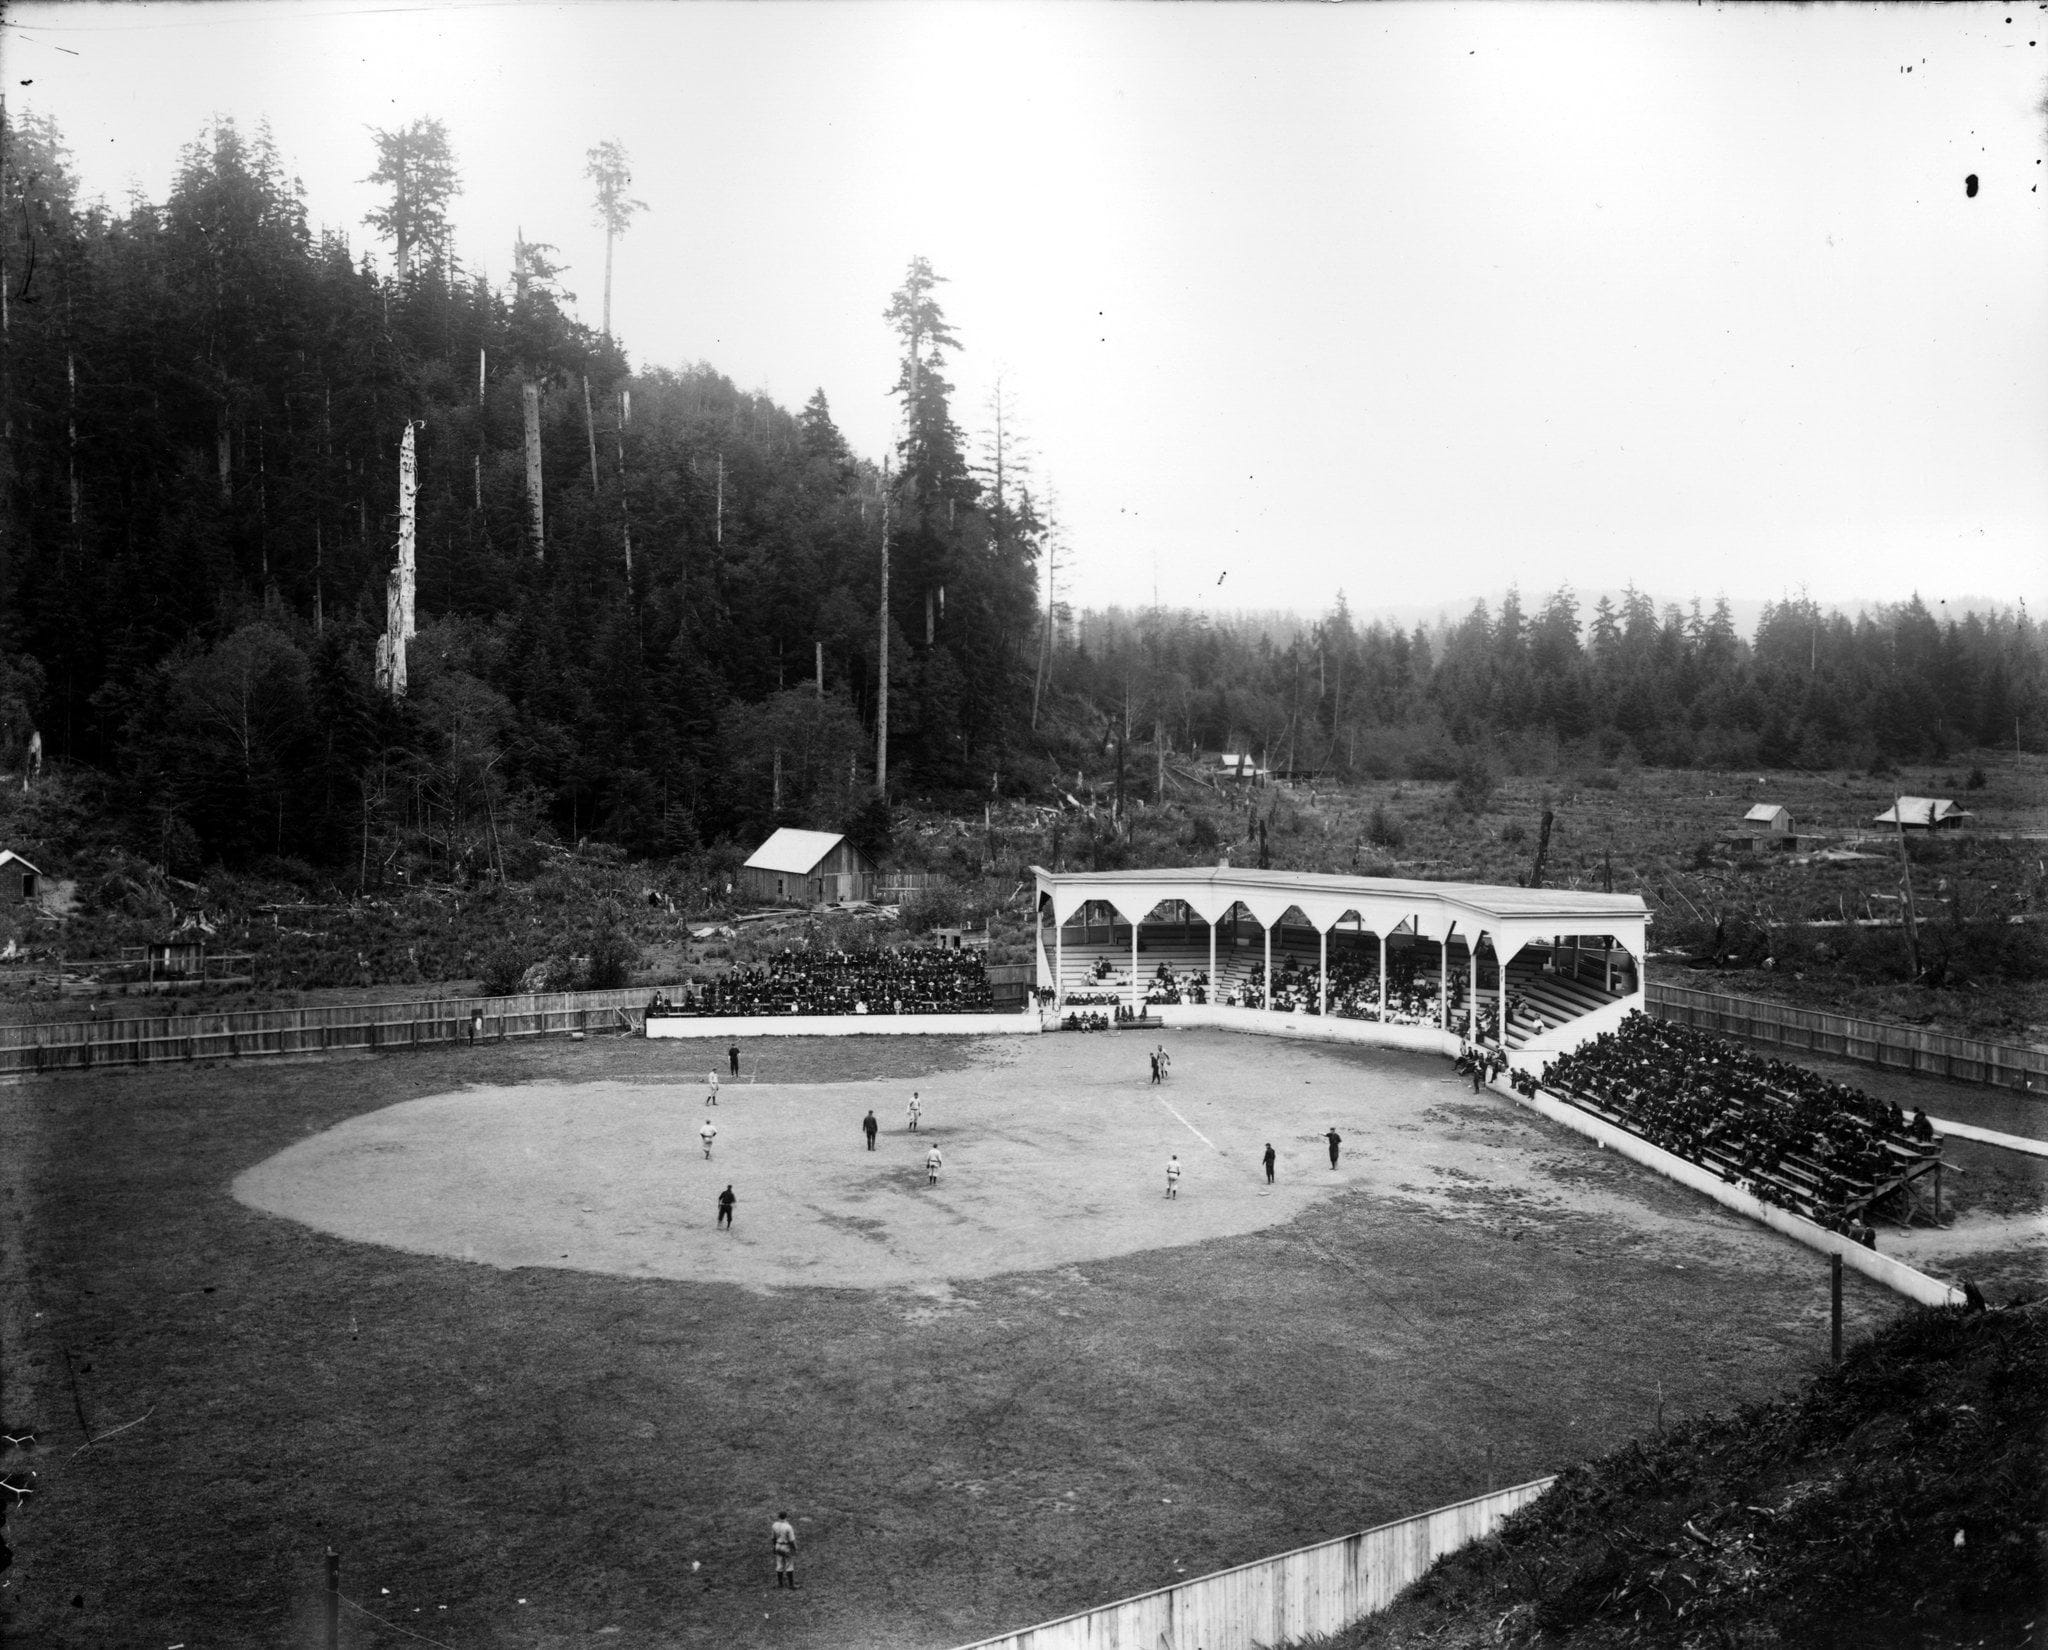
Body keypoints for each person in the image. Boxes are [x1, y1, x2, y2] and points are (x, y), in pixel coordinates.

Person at [771, 1511, 798, 1588]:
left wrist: (774, 1546)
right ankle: (791, 1585)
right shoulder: (788, 1527)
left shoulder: (774, 1525)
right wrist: (795, 1548)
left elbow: (773, 1538)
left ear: (778, 1517)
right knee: (789, 1564)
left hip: (777, 1545)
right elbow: (792, 1540)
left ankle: (780, 1584)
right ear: (786, 1517)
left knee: (779, 1564)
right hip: (786, 1546)